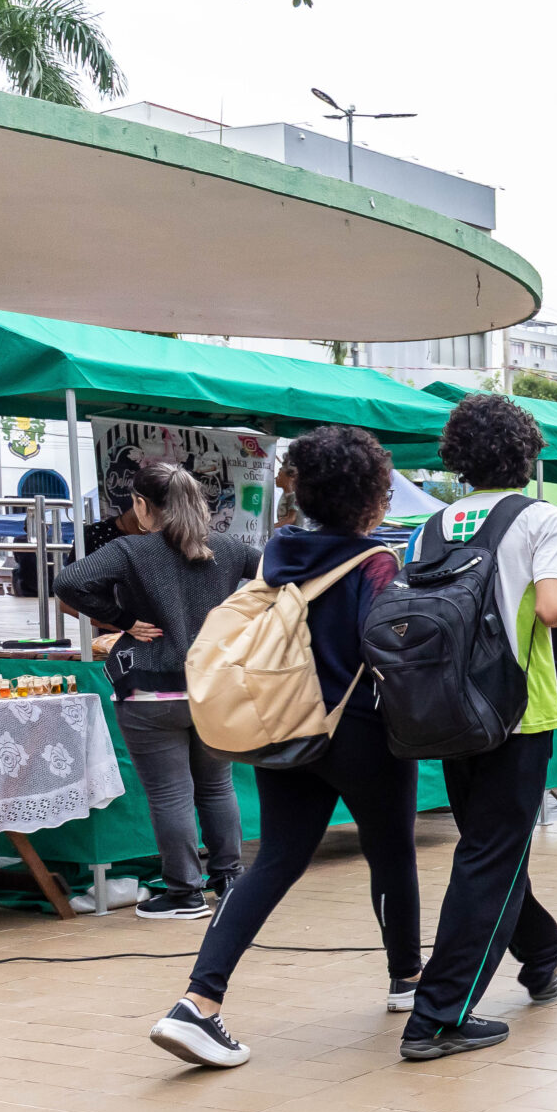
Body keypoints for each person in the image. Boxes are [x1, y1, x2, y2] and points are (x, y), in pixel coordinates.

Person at [149, 428, 421, 1070]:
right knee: (391, 851)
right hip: (359, 732)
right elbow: (386, 649)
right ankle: (406, 981)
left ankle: (198, 1001)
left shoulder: (278, 551)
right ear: (372, 500)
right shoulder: (374, 563)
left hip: (285, 725)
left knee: (272, 862)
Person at [400, 395, 557, 1062]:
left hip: (446, 709)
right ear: (525, 452)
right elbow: (548, 607)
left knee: (490, 844)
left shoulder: (430, 526)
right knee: (490, 854)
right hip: (517, 708)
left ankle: (542, 955)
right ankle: (437, 1015)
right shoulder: (541, 517)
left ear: (458, 457)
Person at [55, 463, 257, 920]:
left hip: (150, 690)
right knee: (217, 786)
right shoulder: (227, 547)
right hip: (212, 688)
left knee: (171, 795)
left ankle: (185, 894)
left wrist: (122, 621)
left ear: (143, 506)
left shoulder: (130, 549)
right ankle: (230, 880)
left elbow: (68, 582)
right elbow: (277, 576)